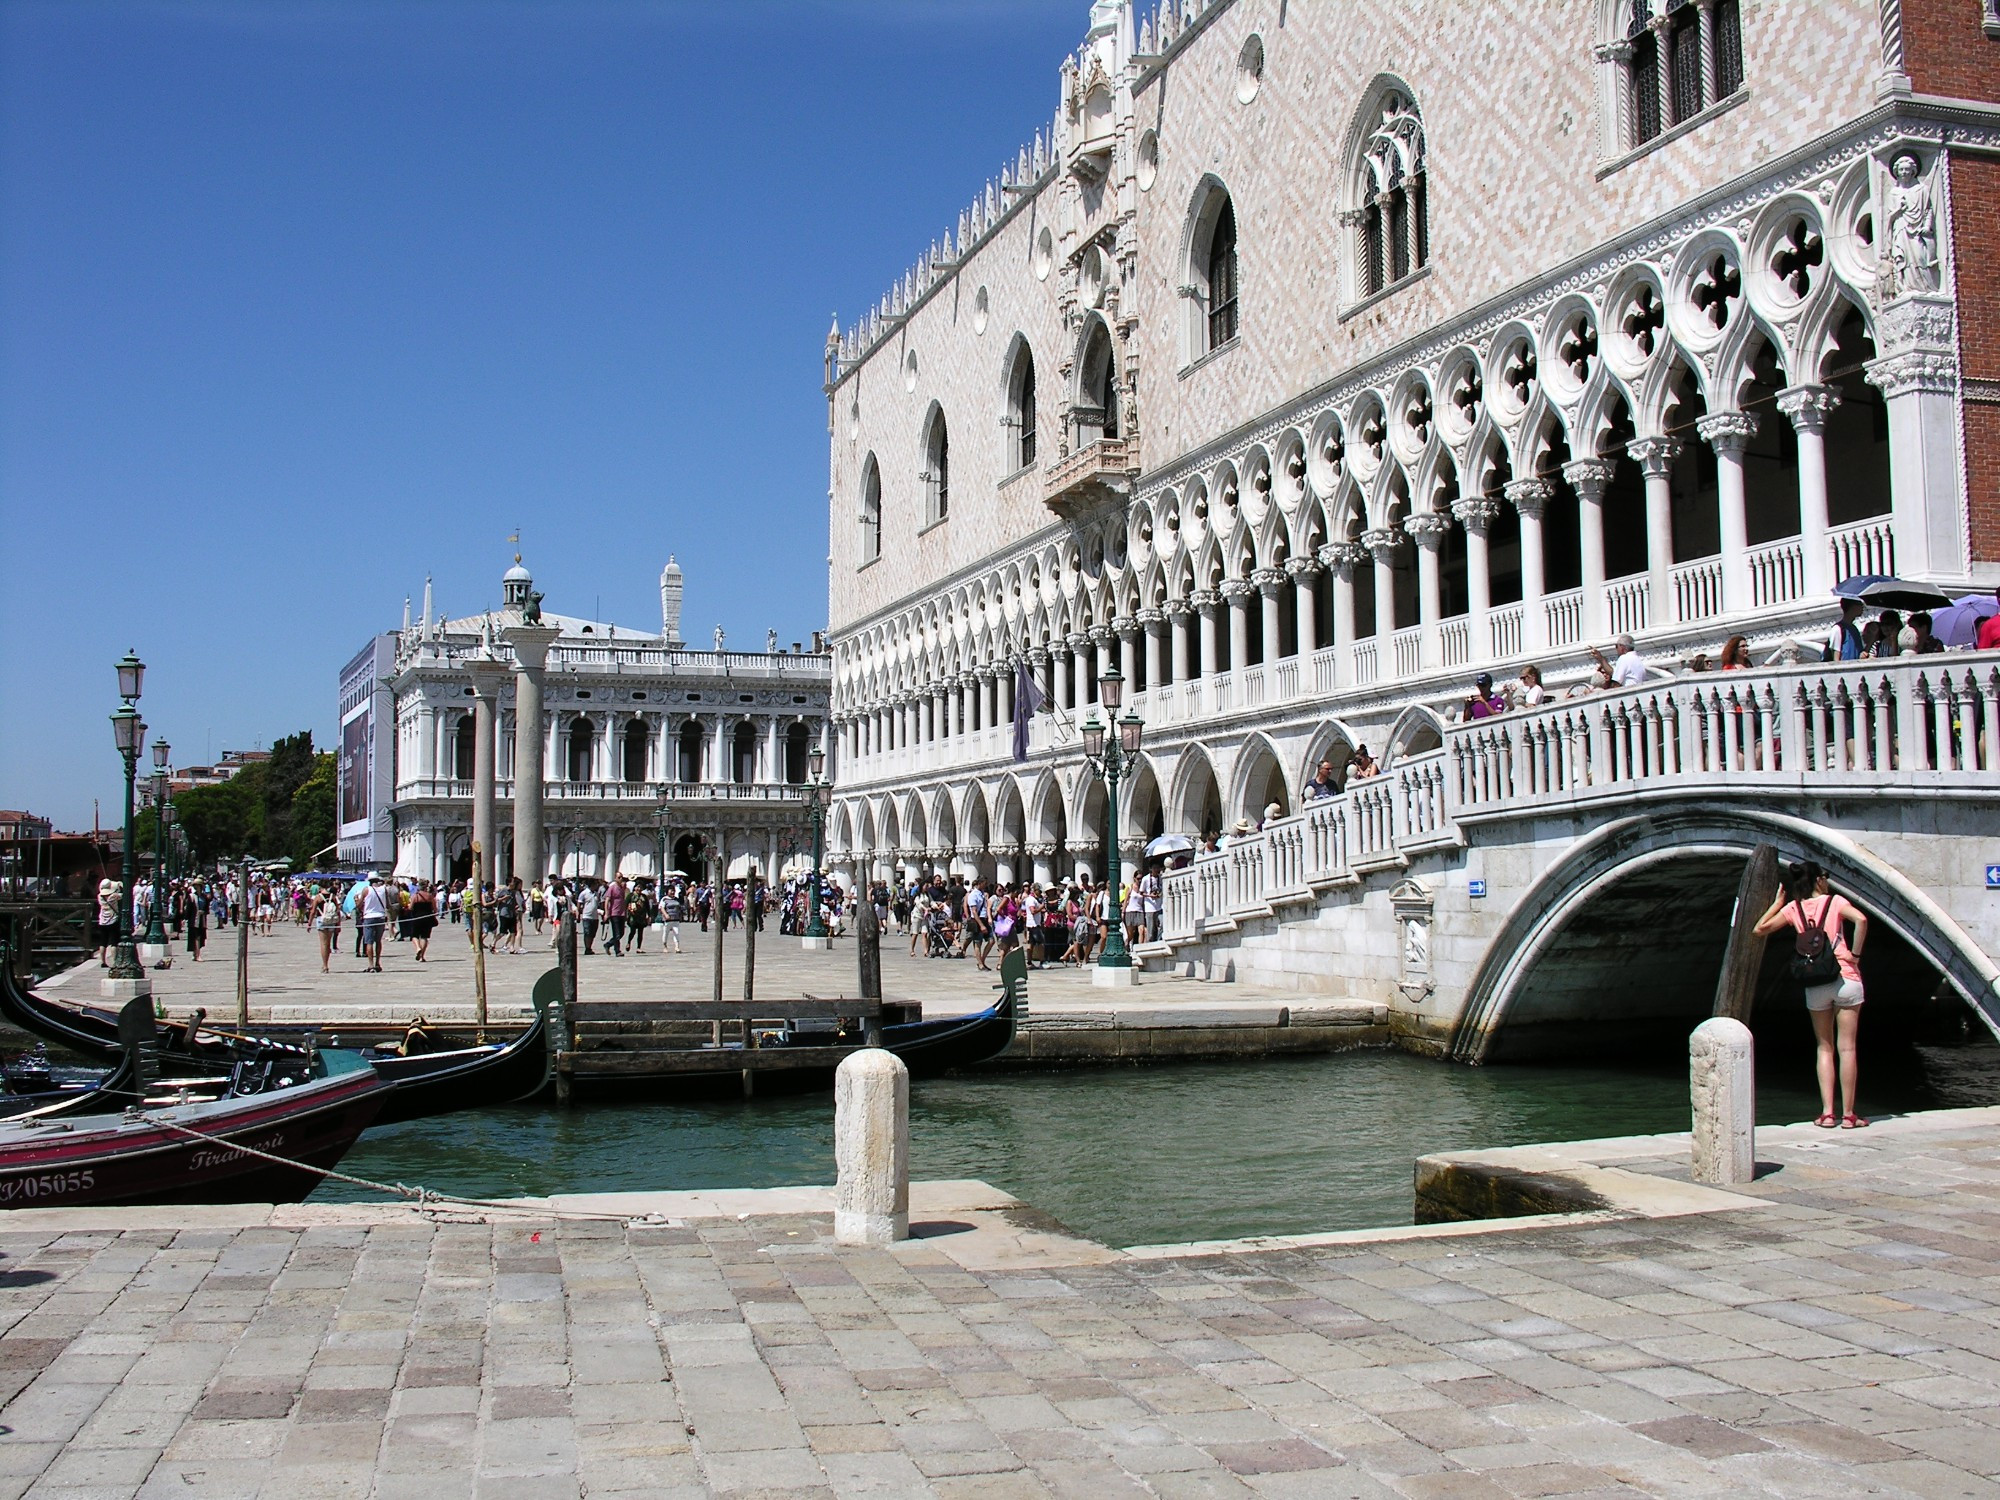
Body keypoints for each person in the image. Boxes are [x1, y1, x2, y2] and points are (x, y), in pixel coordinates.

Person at [1754, 860, 1870, 1129]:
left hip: (1815, 982)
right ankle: (1849, 1116)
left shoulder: (1794, 909)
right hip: (1845, 978)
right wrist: (1856, 955)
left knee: (1824, 1047)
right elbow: (1861, 920)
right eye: (1825, 876)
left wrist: (1777, 903)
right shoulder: (1836, 902)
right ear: (1819, 880)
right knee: (1847, 1048)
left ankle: (1827, 1113)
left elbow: (1759, 929)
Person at [358, 876, 389, 973]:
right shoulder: (384, 890)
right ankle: (377, 962)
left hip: (369, 917)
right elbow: (388, 904)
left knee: (369, 942)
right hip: (380, 916)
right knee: (378, 941)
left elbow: (359, 905)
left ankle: (371, 964)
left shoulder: (366, 890)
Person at [312, 887, 343, 972]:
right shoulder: (333, 897)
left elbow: (313, 910)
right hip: (331, 920)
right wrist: (338, 924)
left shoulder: (318, 897)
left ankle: (325, 965)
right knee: (328, 943)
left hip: (321, 919)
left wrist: (309, 923)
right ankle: (326, 963)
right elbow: (337, 910)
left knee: (323, 944)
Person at [407, 882, 438, 962]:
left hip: (417, 918)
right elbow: (435, 909)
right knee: (424, 937)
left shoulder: (415, 896)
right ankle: (422, 957)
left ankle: (418, 948)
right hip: (427, 918)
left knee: (414, 935)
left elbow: (410, 908)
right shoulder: (430, 896)